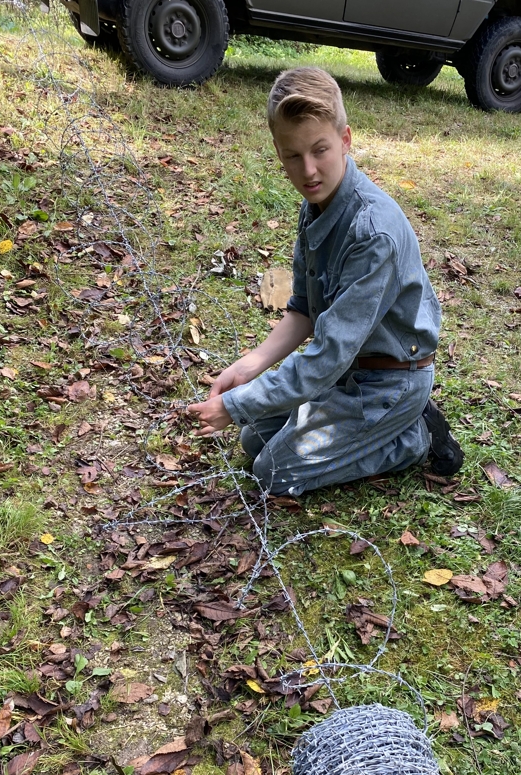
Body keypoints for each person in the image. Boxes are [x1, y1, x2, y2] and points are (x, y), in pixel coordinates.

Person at [188, 66, 463, 496]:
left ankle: (414, 437)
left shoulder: (374, 233)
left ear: (346, 140)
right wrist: (249, 367)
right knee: (253, 439)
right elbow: (304, 310)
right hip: (347, 372)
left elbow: (326, 356)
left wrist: (237, 403)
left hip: (390, 381)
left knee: (272, 472)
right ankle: (370, 427)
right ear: (278, 153)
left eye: (320, 150)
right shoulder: (316, 206)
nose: (308, 170)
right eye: (292, 156)